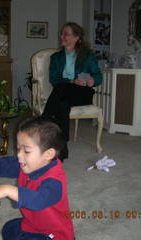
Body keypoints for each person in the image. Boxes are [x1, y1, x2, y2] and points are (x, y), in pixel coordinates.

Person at [0, 117, 74, 240]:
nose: (19, 154)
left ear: (48, 154)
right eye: (18, 148)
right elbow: (5, 164)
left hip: (54, 234)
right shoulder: (27, 164)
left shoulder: (55, 180)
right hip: (32, 224)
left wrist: (9, 189)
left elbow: (39, 200)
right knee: (9, 228)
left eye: (26, 151)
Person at [42, 22, 103, 160]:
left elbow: (98, 76)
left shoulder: (87, 56)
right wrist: (71, 81)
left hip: (82, 93)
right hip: (63, 92)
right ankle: (63, 146)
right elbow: (53, 79)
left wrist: (91, 81)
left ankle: (44, 120)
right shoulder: (56, 58)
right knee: (62, 103)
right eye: (61, 33)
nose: (62, 36)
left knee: (61, 88)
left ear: (76, 37)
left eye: (66, 34)